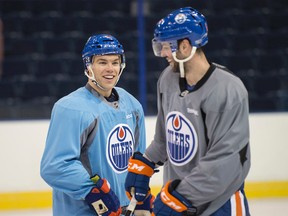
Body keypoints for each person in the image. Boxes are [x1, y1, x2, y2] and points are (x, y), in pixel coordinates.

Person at [125, 7, 251, 216]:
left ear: (185, 46)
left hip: (219, 205)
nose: (163, 53)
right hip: (180, 202)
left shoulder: (228, 90)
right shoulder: (167, 79)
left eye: (167, 46)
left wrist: (179, 197)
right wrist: (145, 163)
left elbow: (225, 161)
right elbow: (165, 138)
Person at [40, 34, 152, 216]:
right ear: (88, 66)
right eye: (102, 62)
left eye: (115, 62)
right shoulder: (70, 108)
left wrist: (141, 194)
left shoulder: (132, 105)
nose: (110, 69)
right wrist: (94, 193)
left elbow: (136, 160)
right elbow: (55, 166)